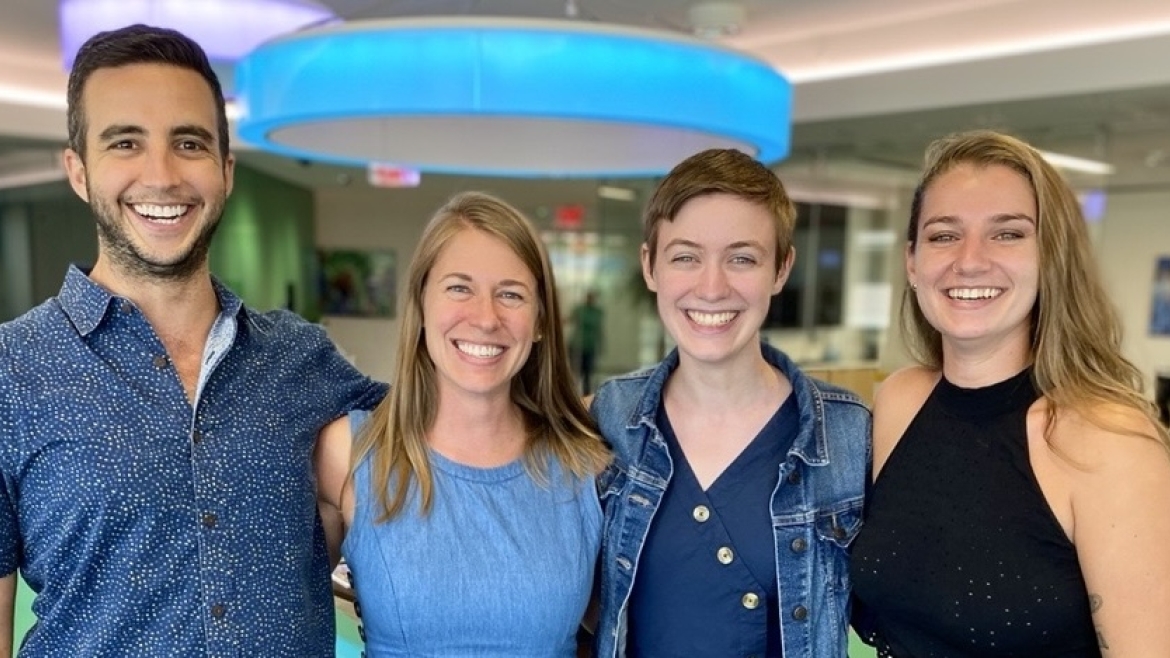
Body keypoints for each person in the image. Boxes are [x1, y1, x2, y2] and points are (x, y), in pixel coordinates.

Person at [0, 25, 387, 656]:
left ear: (225, 170)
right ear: (78, 170)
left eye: (189, 142)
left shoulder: (302, 361)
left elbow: (447, 441)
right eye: (125, 142)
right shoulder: (10, 374)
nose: (162, 174)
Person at [850, 130, 1170, 657]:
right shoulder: (899, 402)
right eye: (943, 235)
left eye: (1008, 234)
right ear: (912, 262)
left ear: (1051, 258)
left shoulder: (1110, 443)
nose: (970, 261)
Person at [590, 148, 872, 657]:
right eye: (685, 257)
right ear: (650, 266)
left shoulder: (850, 437)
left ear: (781, 269)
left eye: (742, 258)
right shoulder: (608, 420)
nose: (712, 287)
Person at [315, 191, 611, 657]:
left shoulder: (586, 464)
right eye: (459, 287)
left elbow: (634, 629)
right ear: (421, 303)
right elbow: (279, 620)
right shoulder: (348, 453)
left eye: (511, 294)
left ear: (539, 321)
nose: (486, 317)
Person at [569, 289, 605, 393]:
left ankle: (586, 395)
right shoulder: (580, 310)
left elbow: (599, 330)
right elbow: (570, 320)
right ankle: (572, 393)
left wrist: (601, 345)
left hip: (590, 346)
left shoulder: (598, 312)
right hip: (577, 345)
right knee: (575, 371)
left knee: (588, 373)